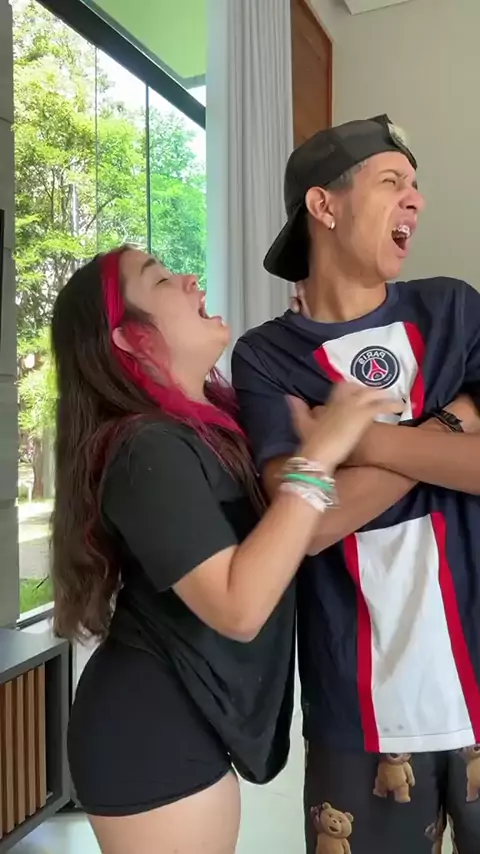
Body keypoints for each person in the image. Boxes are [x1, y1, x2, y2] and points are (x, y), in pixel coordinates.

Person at [49, 244, 397, 854]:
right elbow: (238, 606)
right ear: (130, 338)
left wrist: (434, 447)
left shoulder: (210, 430)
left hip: (188, 719)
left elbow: (297, 528)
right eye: (160, 280)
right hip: (150, 733)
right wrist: (323, 452)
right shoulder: (144, 450)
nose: (189, 278)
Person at [231, 114, 480, 854]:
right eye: (392, 181)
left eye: (415, 186)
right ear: (325, 205)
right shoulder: (266, 357)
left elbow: (325, 488)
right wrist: (454, 425)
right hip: (360, 711)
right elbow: (305, 526)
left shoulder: (453, 309)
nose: (416, 200)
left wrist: (354, 440)